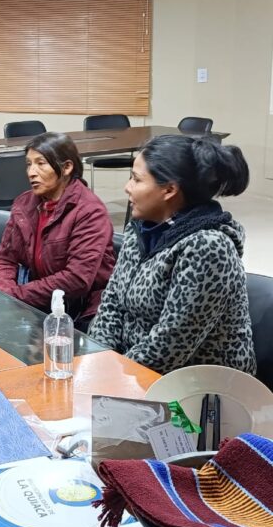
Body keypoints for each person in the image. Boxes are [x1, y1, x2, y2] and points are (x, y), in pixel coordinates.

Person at [89, 134, 256, 375]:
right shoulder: (140, 229)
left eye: (136, 179)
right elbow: (112, 303)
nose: (127, 187)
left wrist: (112, 375)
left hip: (199, 389)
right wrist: (98, 358)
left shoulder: (207, 246)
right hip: (132, 371)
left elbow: (170, 348)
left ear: (169, 189)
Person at [0, 132, 116, 330]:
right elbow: (6, 258)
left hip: (83, 308)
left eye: (41, 163)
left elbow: (76, 279)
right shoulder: (24, 204)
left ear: (67, 167)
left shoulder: (89, 211)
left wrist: (17, 295)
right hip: (41, 300)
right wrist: (4, 292)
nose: (31, 172)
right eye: (29, 164)